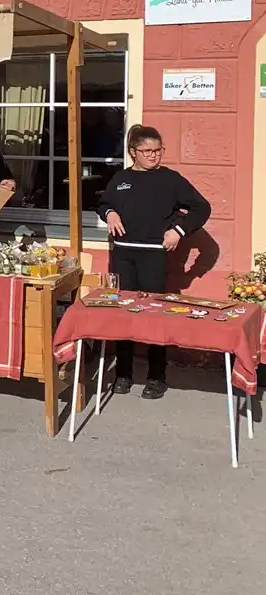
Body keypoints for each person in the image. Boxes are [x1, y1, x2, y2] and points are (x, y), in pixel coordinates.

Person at [99, 124, 211, 399]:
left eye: (158, 150)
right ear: (133, 151)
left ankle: (156, 377)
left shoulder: (170, 180)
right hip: (123, 254)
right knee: (124, 313)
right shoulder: (121, 178)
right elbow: (103, 203)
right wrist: (110, 212)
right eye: (147, 151)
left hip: (153, 255)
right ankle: (123, 374)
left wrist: (178, 231)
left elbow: (202, 207)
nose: (153, 155)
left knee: (154, 314)